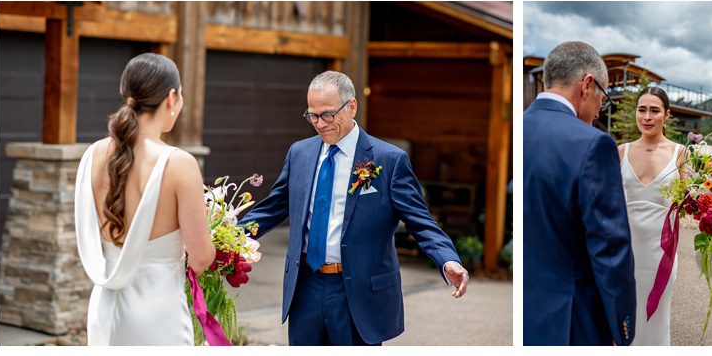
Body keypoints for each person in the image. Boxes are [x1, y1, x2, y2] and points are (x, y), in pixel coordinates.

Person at [239, 70, 469, 346]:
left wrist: (447, 259)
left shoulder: (389, 160)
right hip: (305, 288)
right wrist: (226, 238)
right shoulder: (299, 153)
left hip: (359, 293)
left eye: (327, 114)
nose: (319, 124)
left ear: (351, 107)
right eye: (312, 115)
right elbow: (272, 208)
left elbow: (420, 222)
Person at [75, 52, 216, 346]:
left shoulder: (92, 155)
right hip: (158, 315)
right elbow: (202, 257)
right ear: (171, 97)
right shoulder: (179, 164)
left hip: (105, 309)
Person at [521, 41, 637, 346]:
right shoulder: (592, 144)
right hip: (572, 321)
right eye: (603, 95)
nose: (600, 108)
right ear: (587, 84)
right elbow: (610, 249)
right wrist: (621, 327)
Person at [617, 86, 689, 346]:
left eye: (654, 111)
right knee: (626, 317)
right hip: (626, 252)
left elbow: (692, 199)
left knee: (658, 318)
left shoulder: (680, 153)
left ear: (666, 115)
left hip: (662, 252)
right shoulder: (621, 151)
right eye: (642, 110)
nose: (647, 117)